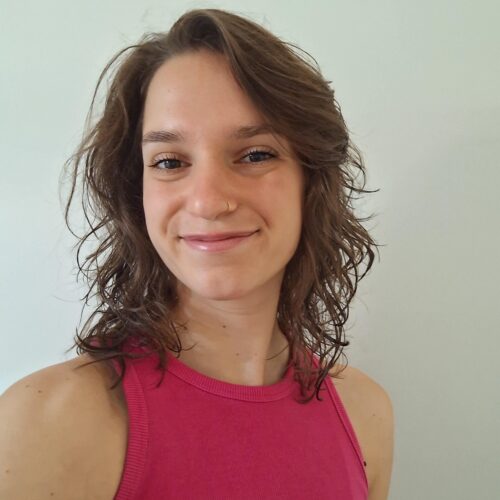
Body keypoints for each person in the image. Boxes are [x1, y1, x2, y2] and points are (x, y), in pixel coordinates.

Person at [0, 8, 394, 500]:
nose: (208, 201)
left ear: (311, 180)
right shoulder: (45, 424)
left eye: (255, 155)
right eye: (169, 162)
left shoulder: (365, 415)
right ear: (137, 194)